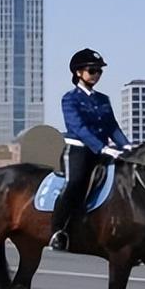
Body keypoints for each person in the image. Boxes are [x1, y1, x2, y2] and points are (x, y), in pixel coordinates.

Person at [49, 48, 131, 252]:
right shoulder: (70, 99)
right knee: (75, 183)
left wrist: (126, 145)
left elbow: (112, 126)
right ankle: (58, 231)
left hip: (104, 151)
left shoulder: (103, 99)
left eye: (99, 71)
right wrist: (102, 147)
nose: (96, 75)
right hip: (79, 150)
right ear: (78, 72)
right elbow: (78, 128)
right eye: (92, 70)